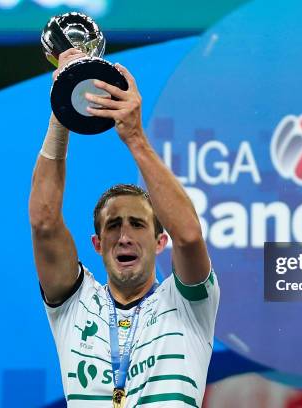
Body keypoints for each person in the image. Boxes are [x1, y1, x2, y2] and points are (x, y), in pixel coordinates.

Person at [29, 48, 219, 407]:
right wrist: (62, 110)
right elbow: (44, 222)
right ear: (97, 244)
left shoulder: (188, 304)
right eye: (113, 226)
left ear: (161, 241)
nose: (125, 235)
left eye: (137, 224)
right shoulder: (76, 305)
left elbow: (190, 236)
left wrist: (135, 138)